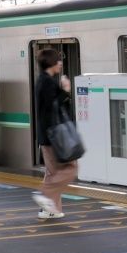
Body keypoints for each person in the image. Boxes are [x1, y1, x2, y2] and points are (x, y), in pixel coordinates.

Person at [33, 49, 76, 220]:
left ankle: (50, 209)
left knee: (52, 173)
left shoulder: (42, 81)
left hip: (46, 136)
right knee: (71, 168)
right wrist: (65, 91)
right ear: (51, 62)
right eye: (58, 60)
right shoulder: (48, 83)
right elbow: (53, 108)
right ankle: (45, 195)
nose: (60, 63)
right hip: (55, 137)